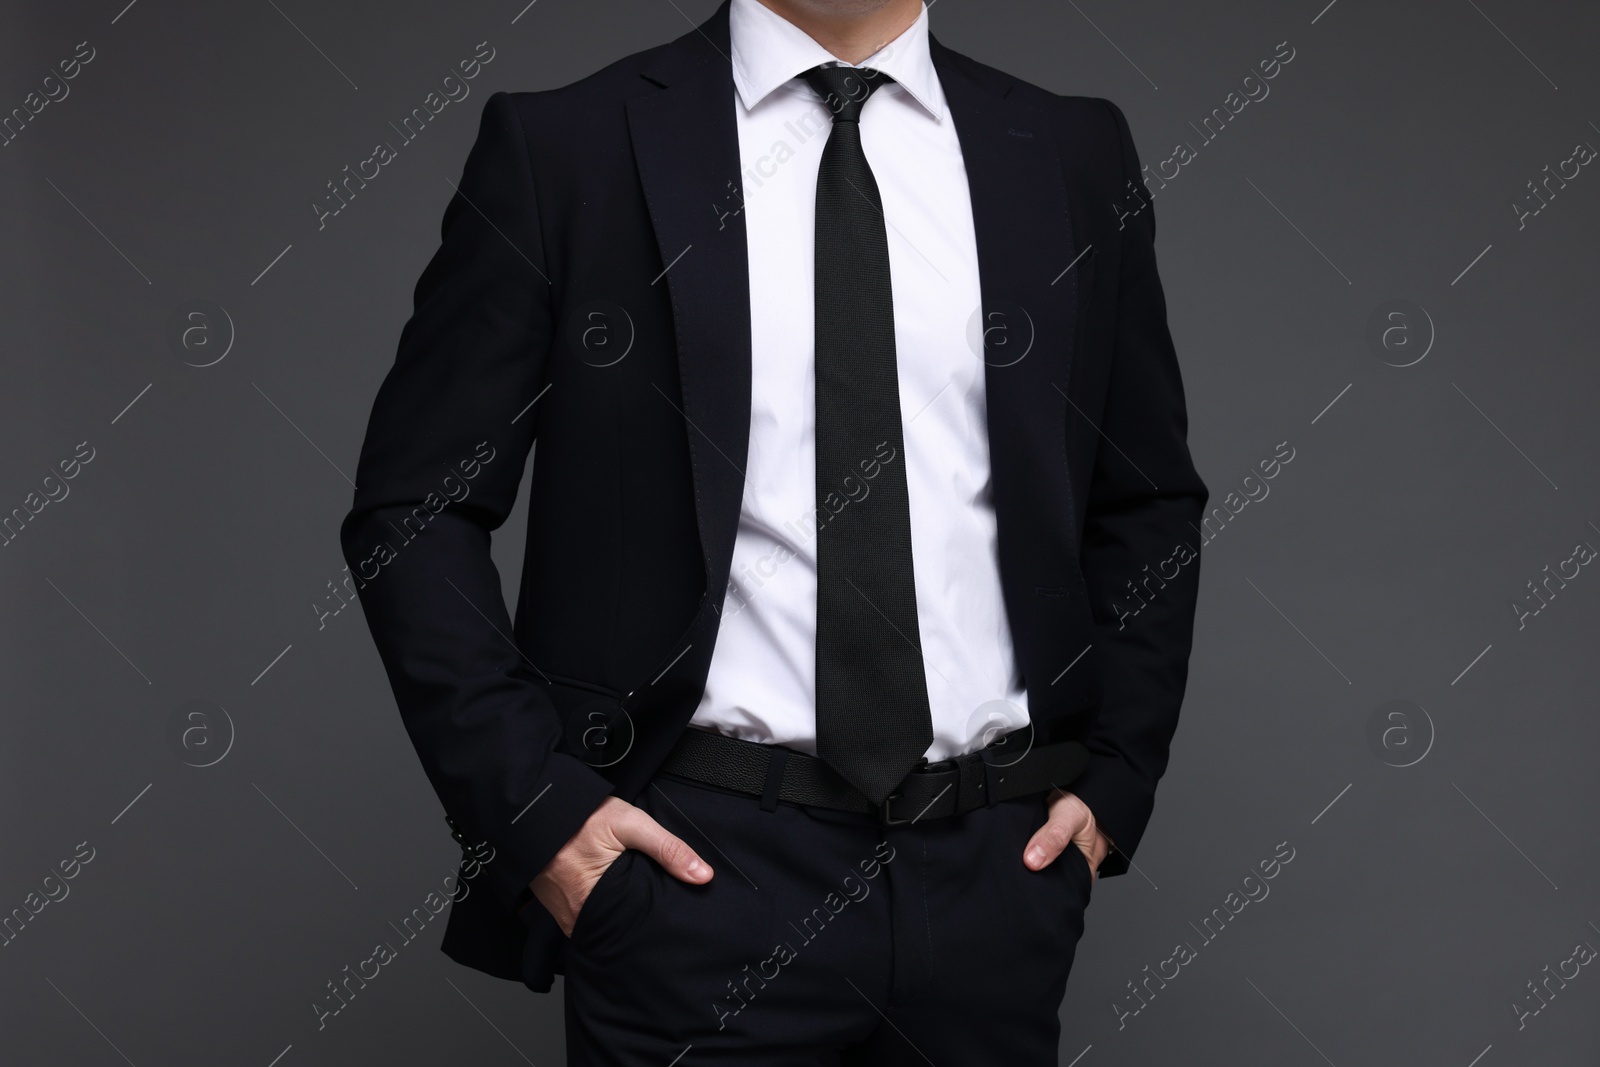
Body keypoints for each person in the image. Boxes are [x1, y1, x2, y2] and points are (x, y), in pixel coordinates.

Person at [342, 0, 1207, 1062]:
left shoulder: (1069, 150)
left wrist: (1114, 780)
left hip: (995, 883)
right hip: (694, 882)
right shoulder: (568, 145)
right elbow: (415, 509)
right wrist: (542, 817)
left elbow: (1144, 493)